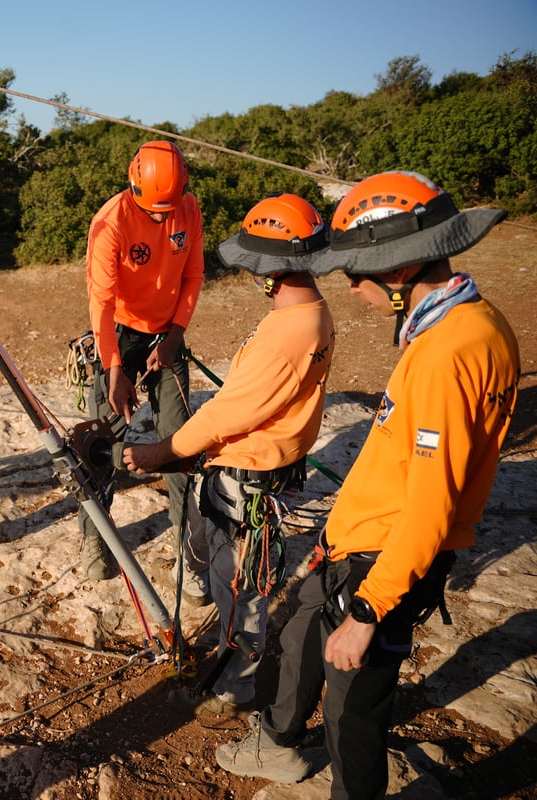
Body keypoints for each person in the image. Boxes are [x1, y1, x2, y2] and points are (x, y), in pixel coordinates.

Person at [214, 171, 519, 799]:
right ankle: (277, 742)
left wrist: (367, 609)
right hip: (360, 541)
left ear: (400, 269)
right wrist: (337, 533)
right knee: (301, 629)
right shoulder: (462, 323)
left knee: (354, 713)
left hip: (385, 560)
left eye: (357, 271)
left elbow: (432, 503)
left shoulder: (446, 354)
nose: (349, 286)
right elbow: (403, 458)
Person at [121, 194, 336, 720]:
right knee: (210, 554)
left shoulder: (287, 333)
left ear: (272, 267)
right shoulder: (306, 312)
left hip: (249, 479)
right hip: (239, 469)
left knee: (241, 590)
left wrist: (161, 452)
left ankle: (232, 690)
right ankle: (206, 606)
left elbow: (226, 415)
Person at [82, 140, 204, 580]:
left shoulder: (187, 209)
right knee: (100, 440)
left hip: (167, 333)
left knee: (179, 440)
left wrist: (174, 337)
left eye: (166, 209)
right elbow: (102, 301)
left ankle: (188, 554)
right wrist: (115, 368)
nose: (160, 217)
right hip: (119, 333)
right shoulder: (110, 223)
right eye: (152, 210)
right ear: (132, 186)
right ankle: (95, 543)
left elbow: (193, 274)